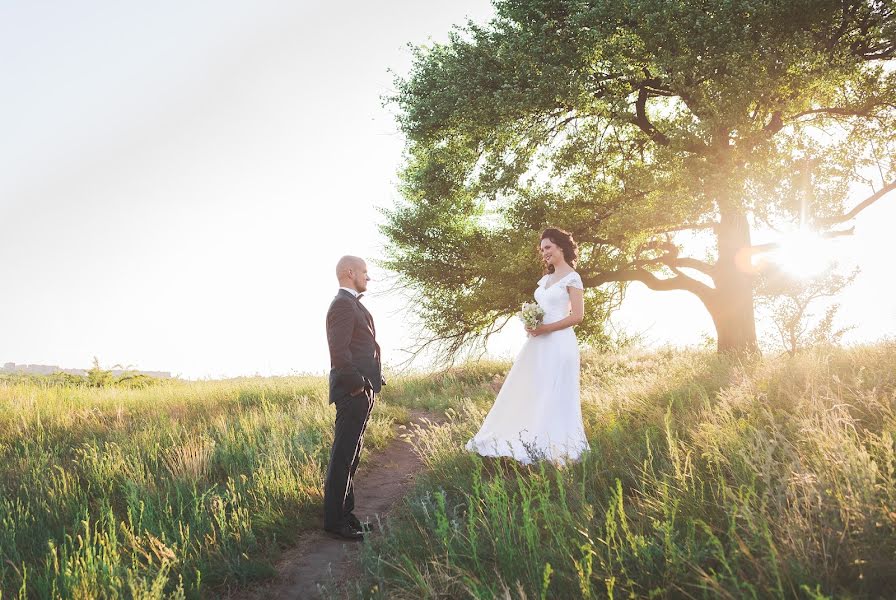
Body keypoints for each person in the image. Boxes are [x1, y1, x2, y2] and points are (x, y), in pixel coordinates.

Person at [466, 227, 589, 464]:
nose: (544, 253)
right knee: (531, 389)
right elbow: (543, 310)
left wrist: (545, 329)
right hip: (538, 343)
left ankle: (554, 446)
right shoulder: (545, 280)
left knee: (553, 392)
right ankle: (527, 438)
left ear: (561, 247)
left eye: (548, 248)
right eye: (542, 249)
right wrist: (533, 323)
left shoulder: (573, 278)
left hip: (560, 343)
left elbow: (578, 316)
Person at [323, 255, 385, 540]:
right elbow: (339, 351)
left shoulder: (353, 305)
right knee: (343, 456)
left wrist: (373, 381)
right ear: (350, 273)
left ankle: (346, 515)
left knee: (353, 455)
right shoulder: (341, 305)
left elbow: (364, 347)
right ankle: (334, 522)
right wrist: (357, 384)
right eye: (364, 272)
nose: (368, 277)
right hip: (352, 392)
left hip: (363, 390)